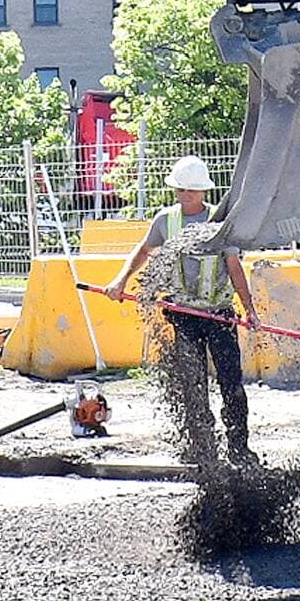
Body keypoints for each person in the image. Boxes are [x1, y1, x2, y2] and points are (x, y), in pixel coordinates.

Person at [103, 155, 260, 463]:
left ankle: (239, 449)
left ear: (204, 191)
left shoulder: (221, 221)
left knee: (231, 384)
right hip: (184, 315)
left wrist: (250, 309)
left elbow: (233, 266)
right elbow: (144, 251)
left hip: (219, 315)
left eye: (193, 190)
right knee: (193, 385)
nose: (187, 195)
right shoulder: (166, 221)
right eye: (182, 190)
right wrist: (120, 280)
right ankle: (201, 448)